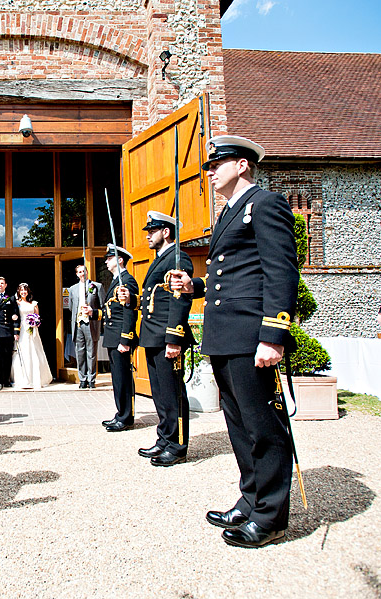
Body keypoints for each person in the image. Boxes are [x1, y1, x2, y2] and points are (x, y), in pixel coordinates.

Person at [170, 135, 299, 549]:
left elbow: (280, 272)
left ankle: (271, 516)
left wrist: (274, 335)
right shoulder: (228, 212)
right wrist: (197, 283)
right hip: (225, 336)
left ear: (241, 165)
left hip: (251, 335)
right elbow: (232, 274)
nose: (209, 172)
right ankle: (251, 498)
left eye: (216, 164)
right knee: (240, 426)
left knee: (264, 426)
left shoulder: (266, 203)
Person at [117, 211, 194, 466]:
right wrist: (133, 300)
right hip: (153, 337)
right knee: (160, 394)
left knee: (172, 394)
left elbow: (179, 299)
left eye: (152, 230)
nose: (148, 235)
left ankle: (177, 445)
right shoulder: (160, 259)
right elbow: (156, 299)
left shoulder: (177, 258)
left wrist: (174, 338)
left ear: (167, 232)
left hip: (166, 337)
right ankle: (164, 438)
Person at [83, 244, 138, 431]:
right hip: (113, 337)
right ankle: (121, 413)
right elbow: (110, 312)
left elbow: (129, 312)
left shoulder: (127, 281)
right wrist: (93, 312)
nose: (106, 261)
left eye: (109, 258)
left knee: (123, 379)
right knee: (118, 379)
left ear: (120, 260)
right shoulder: (116, 280)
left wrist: (125, 340)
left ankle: (126, 417)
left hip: (120, 339)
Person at [67, 265, 104, 389]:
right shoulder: (72, 289)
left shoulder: (97, 286)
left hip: (91, 323)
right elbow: (71, 307)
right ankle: (82, 379)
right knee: (80, 352)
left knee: (91, 352)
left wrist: (92, 311)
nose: (82, 273)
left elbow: (103, 306)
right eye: (79, 272)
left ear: (87, 272)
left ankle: (91, 379)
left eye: (84, 271)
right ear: (77, 274)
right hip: (78, 324)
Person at [11, 282, 53, 389]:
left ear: (28, 292)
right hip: (21, 329)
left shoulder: (33, 303)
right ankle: (22, 378)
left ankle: (36, 378)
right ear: (19, 292)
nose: (23, 292)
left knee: (34, 350)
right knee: (22, 351)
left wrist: (35, 322)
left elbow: (37, 317)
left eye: (25, 290)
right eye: (21, 290)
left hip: (32, 330)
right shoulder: (16, 303)